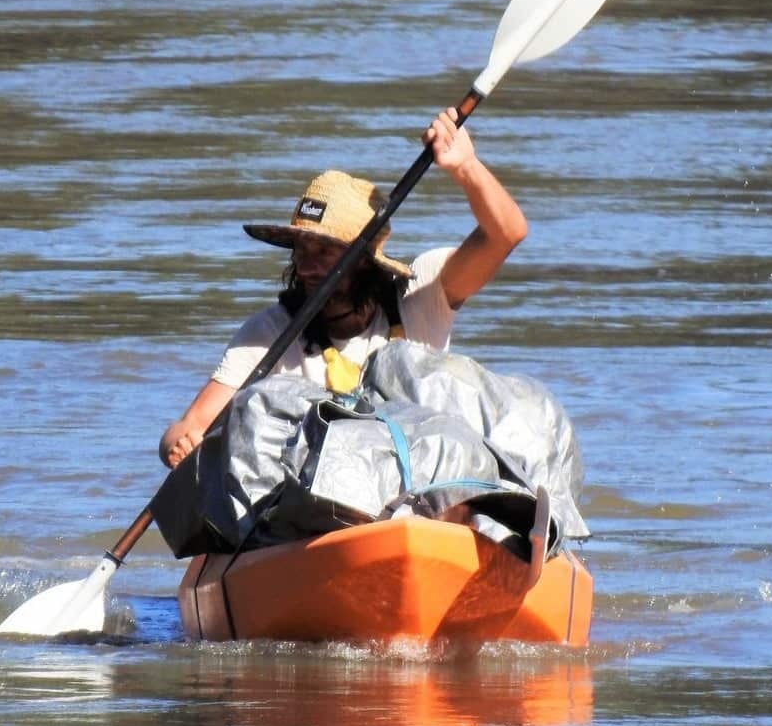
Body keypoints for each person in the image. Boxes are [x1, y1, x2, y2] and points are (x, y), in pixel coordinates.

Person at [158, 106, 528, 469]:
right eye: (301, 250)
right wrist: (180, 443)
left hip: (421, 482)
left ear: (365, 260)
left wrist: (466, 168)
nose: (307, 266)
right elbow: (191, 425)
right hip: (321, 503)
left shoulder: (422, 294)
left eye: (324, 251)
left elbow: (506, 234)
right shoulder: (268, 333)